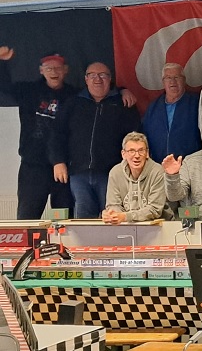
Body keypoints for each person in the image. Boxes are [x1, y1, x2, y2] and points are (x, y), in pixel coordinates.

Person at [50, 62, 141, 218]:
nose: (97, 79)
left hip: (112, 175)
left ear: (110, 79)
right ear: (86, 79)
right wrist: (58, 161)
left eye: (102, 75)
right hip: (78, 173)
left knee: (113, 218)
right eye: (92, 75)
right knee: (84, 221)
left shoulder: (124, 104)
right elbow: (57, 134)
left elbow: (135, 139)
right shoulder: (73, 103)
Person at [0, 48, 78, 219]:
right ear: (41, 70)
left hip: (63, 167)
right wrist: (2, 62)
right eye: (49, 68)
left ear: (66, 70)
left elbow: (99, 93)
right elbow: (4, 88)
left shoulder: (74, 96)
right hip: (33, 166)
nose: (54, 72)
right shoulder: (29, 91)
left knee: (63, 219)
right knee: (27, 218)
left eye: (58, 68)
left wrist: (123, 90)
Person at [102, 132, 172, 224]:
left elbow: (155, 209)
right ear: (123, 154)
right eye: (131, 151)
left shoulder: (157, 171)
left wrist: (126, 217)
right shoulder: (115, 173)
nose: (137, 156)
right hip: (126, 225)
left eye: (141, 151)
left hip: (160, 226)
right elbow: (113, 205)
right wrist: (112, 215)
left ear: (147, 153)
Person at [142, 63, 202, 164]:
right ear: (163, 82)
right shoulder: (153, 107)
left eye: (177, 77)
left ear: (184, 80)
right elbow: (144, 136)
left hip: (189, 165)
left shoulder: (196, 103)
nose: (172, 81)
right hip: (160, 165)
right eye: (168, 78)